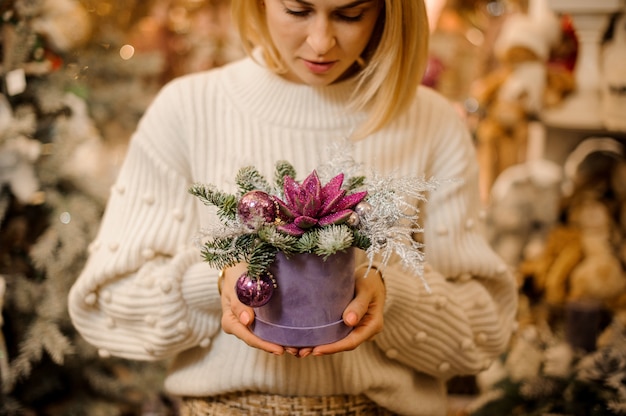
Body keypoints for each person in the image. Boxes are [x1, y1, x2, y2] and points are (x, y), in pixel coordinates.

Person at [68, 0, 518, 415]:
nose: (321, 42)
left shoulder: (430, 121)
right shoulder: (189, 109)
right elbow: (104, 304)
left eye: (350, 14)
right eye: (297, 10)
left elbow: (485, 334)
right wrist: (219, 283)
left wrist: (393, 298)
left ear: (387, 11)